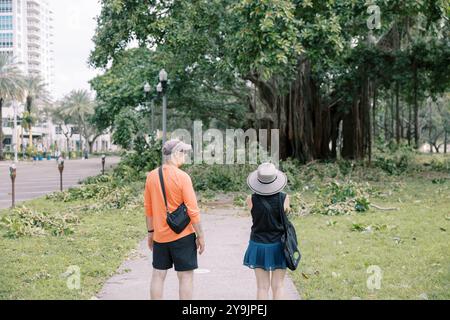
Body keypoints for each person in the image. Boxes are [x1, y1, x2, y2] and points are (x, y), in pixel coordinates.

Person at [144, 139, 205, 300]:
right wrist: (201, 235)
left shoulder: (151, 176)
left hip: (160, 237)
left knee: (158, 275)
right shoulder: (182, 177)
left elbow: (148, 209)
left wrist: (151, 233)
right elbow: (192, 209)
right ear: (176, 154)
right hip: (183, 236)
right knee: (185, 277)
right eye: (183, 152)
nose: (185, 156)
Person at [244, 162, 290, 300]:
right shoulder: (284, 198)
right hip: (279, 245)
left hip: (258, 244)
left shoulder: (250, 199)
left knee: (262, 287)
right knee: (279, 285)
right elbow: (286, 214)